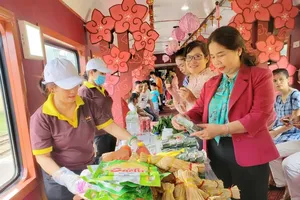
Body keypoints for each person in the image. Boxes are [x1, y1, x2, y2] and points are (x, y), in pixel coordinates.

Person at [171, 26, 279, 200]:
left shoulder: (259, 76)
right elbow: (199, 109)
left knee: (251, 195)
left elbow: (259, 116)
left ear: (238, 50)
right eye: (213, 56)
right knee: (223, 195)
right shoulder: (212, 83)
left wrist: (222, 129)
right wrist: (184, 117)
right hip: (216, 150)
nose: (216, 62)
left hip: (248, 151)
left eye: (221, 55)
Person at [30, 58, 146, 200]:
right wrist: (68, 179)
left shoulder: (87, 105)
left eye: (75, 85)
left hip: (87, 169)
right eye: (67, 87)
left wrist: (132, 140)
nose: (73, 91)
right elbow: (42, 157)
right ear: (52, 88)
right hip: (59, 178)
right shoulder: (41, 118)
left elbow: (109, 125)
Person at [78, 58, 117, 162]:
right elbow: (84, 117)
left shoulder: (101, 89)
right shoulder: (84, 91)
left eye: (105, 74)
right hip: (98, 135)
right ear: (91, 72)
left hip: (110, 131)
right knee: (101, 165)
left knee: (111, 163)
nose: (104, 76)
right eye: (102, 73)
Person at [268, 68, 300, 192]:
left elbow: (294, 122)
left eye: (281, 79)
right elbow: (277, 120)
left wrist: (275, 132)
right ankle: (280, 182)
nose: (278, 83)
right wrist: (267, 129)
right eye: (275, 80)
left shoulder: (295, 95)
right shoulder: (277, 98)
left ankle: (282, 183)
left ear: (288, 79)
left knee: (270, 149)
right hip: (281, 129)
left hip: (293, 132)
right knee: (260, 143)